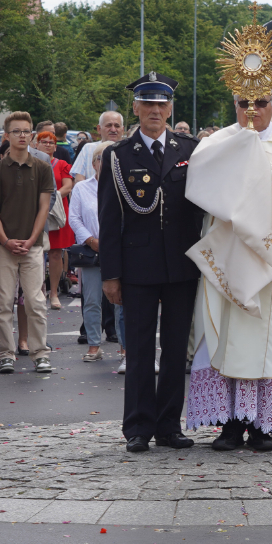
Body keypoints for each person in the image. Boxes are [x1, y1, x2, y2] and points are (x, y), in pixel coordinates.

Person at [185, 68, 272, 451]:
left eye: (261, 102)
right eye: (244, 102)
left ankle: (263, 425)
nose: (253, 110)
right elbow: (200, 187)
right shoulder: (218, 143)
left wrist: (257, 187)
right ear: (233, 103)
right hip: (229, 254)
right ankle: (230, 425)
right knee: (223, 333)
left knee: (270, 336)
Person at [99, 74, 203, 451]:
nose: (155, 110)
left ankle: (169, 426)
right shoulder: (118, 155)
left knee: (175, 350)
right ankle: (139, 427)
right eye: (148, 103)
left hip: (181, 264)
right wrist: (111, 274)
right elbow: (109, 219)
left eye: (161, 104)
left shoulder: (191, 149)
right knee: (140, 349)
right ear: (136, 108)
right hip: (137, 265)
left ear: (170, 108)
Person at [0, 111, 56, 375]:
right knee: (3, 303)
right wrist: (5, 240)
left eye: (26, 131)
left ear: (32, 135)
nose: (22, 135)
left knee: (35, 302)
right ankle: (6, 353)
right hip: (1, 246)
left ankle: (40, 353)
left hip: (32, 245)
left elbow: (44, 208)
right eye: (16, 131)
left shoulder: (43, 168)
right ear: (7, 135)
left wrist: (31, 239)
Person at [68, 141, 111, 362]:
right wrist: (91, 240)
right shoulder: (82, 188)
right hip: (92, 250)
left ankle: (126, 348)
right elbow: (74, 218)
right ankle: (94, 345)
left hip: (119, 250)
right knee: (92, 299)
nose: (106, 162)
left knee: (121, 301)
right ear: (94, 164)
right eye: (102, 158)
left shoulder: (125, 187)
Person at [36, 130, 75, 309]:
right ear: (36, 145)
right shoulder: (33, 163)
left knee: (55, 253)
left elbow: (68, 186)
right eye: (43, 142)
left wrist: (50, 199)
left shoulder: (62, 164)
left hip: (56, 212)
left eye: (51, 142)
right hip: (35, 211)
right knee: (36, 253)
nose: (47, 145)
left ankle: (53, 293)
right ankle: (38, 291)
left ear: (55, 146)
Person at [73, 110, 125, 183]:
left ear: (122, 130)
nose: (113, 130)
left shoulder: (128, 150)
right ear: (99, 129)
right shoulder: (88, 149)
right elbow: (79, 179)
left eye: (117, 126)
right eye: (109, 125)